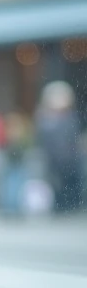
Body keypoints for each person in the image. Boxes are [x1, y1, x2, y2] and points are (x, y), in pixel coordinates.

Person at [36, 80, 84, 213]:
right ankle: (59, 206)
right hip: (54, 158)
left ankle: (71, 206)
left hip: (70, 158)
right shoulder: (45, 117)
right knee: (56, 184)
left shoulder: (71, 117)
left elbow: (75, 136)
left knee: (71, 183)